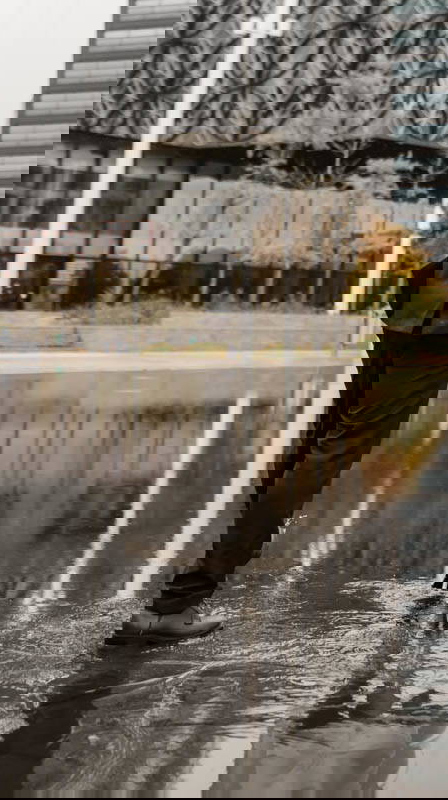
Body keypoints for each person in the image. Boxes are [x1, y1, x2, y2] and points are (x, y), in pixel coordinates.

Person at [115, 255, 448, 643]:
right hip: (433, 333)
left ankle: (170, 603)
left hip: (415, 315)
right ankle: (169, 608)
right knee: (318, 463)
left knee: (310, 452)